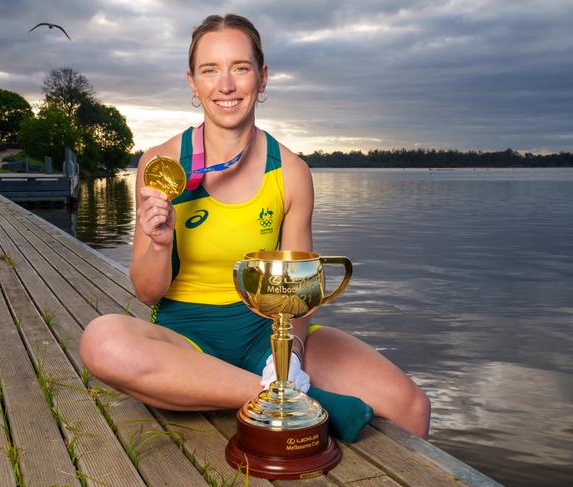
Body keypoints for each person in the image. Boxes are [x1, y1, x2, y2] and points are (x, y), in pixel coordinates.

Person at [80, 13, 430, 440]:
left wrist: (291, 358)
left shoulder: (292, 173)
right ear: (192, 82)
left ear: (262, 78)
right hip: (187, 341)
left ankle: (274, 383)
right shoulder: (160, 164)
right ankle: (282, 397)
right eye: (210, 70)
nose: (225, 85)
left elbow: (298, 296)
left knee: (411, 405)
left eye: (240, 68)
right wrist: (159, 243)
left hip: (269, 334)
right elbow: (148, 292)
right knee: (102, 342)